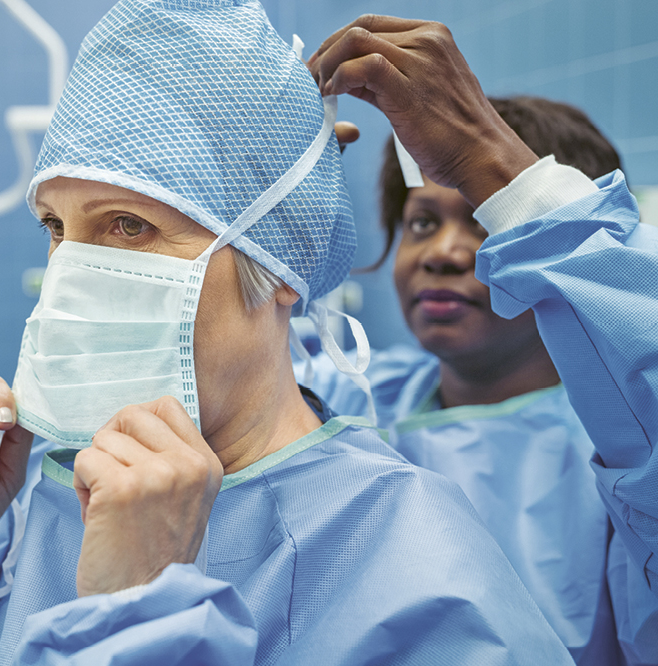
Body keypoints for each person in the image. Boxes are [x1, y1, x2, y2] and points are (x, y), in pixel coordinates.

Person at [0, 2, 576, 665]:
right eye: (55, 226)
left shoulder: (407, 567)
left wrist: (132, 617)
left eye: (129, 226)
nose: (73, 269)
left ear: (280, 259)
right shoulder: (9, 516)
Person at [293, 16, 658, 666]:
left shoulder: (623, 457)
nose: (443, 253)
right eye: (422, 222)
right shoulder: (359, 400)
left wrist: (502, 167)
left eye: (487, 221)